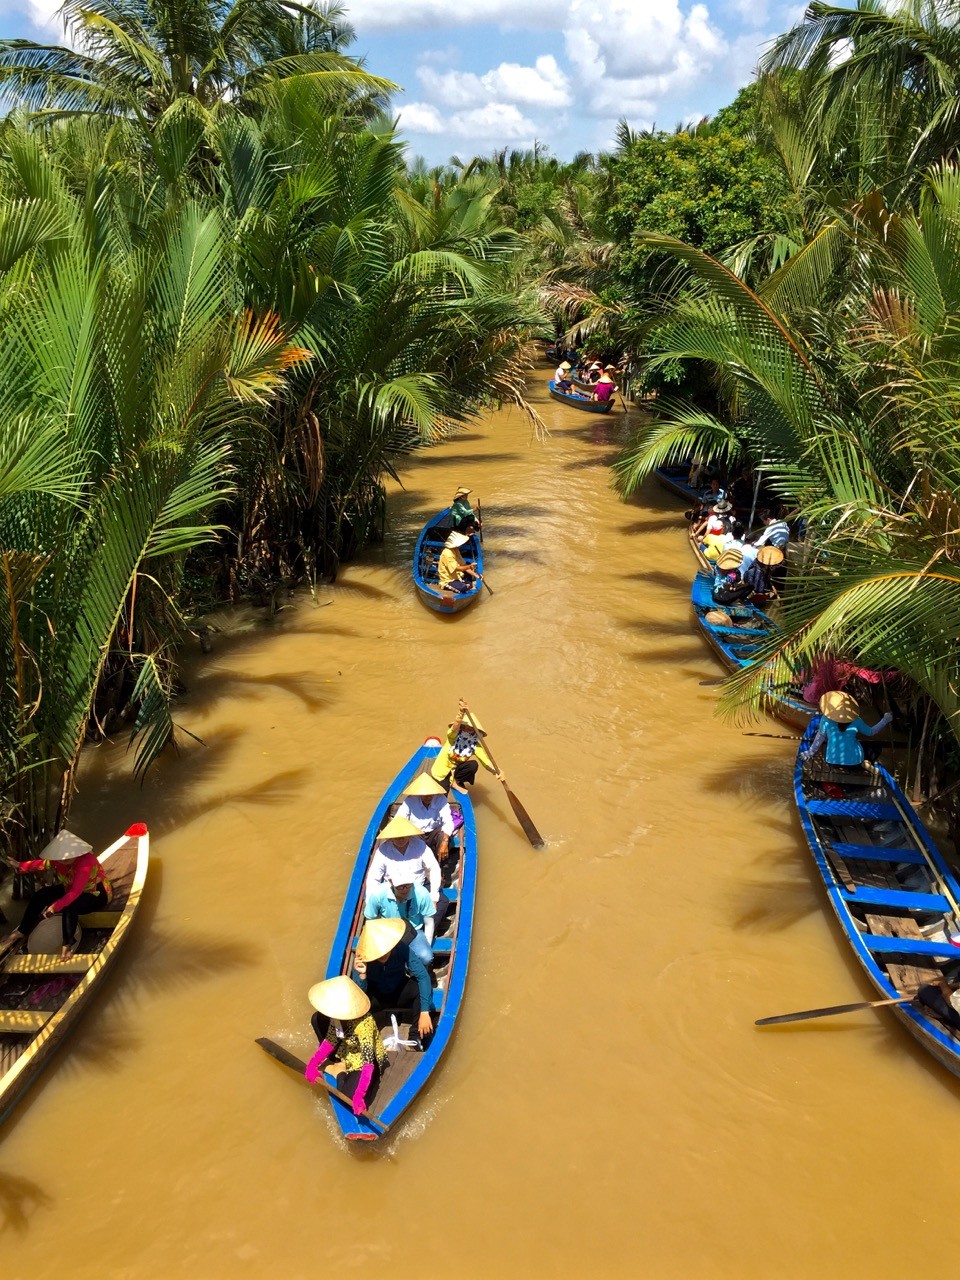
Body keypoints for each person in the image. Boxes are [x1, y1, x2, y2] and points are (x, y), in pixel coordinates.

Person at [0, 830, 111, 960]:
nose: (63, 860)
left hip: (96, 893)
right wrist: (20, 865)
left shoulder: (87, 861)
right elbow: (42, 864)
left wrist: (55, 907)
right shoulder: (60, 860)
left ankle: (67, 945)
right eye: (61, 857)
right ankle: (21, 931)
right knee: (41, 894)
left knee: (70, 906)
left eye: (67, 857)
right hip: (70, 889)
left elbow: (75, 892)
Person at [303, 975, 388, 1117]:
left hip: (365, 1060)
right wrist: (312, 1065)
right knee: (316, 1018)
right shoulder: (336, 1016)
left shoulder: (364, 1024)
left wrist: (359, 1095)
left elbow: (368, 1063)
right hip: (347, 1050)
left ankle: (339, 1072)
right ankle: (339, 1066)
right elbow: (330, 1040)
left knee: (346, 1098)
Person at [354, 917, 434, 1047]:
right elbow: (358, 995)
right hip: (376, 996)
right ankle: (365, 1039)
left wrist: (424, 1012)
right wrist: (361, 975)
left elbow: (423, 976)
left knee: (419, 988)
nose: (382, 955)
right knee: (356, 1004)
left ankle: (416, 1035)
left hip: (399, 990)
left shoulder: (401, 948)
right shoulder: (362, 957)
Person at [364, 863, 436, 966]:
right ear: (390, 882)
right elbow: (370, 920)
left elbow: (429, 922)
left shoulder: (422, 893)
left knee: (426, 958)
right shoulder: (378, 894)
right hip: (387, 932)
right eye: (400, 887)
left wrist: (427, 945)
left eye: (408, 885)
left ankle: (409, 968)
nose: (405, 889)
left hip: (413, 931)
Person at [802, 692, 893, 771]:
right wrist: (885, 719)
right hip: (854, 763)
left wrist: (810, 753)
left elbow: (820, 737)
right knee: (875, 747)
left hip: (833, 762)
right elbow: (871, 732)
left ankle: (863, 763)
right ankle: (865, 762)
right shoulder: (856, 720)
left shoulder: (825, 719)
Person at [430, 700, 503, 793]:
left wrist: (497, 772)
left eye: (470, 729)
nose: (466, 731)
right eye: (464, 728)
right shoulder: (453, 737)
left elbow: (486, 762)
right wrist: (460, 713)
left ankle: (455, 781)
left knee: (473, 765)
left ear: (475, 732)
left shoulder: (475, 745)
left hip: (455, 770)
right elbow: (454, 729)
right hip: (441, 772)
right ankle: (451, 783)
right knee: (443, 791)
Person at [366, 815, 442, 904]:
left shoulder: (420, 845)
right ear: (390, 839)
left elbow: (434, 868)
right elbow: (374, 877)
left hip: (417, 887)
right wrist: (371, 901)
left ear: (409, 836)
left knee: (442, 902)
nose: (400, 839)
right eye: (397, 837)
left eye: (403, 836)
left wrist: (433, 897)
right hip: (394, 889)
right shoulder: (382, 851)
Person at [396, 773, 456, 858]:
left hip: (434, 832)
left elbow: (448, 821)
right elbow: (399, 819)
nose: (427, 797)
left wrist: (445, 841)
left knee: (443, 836)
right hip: (416, 833)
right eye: (424, 795)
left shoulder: (441, 799)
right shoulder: (410, 800)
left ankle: (441, 862)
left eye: (430, 794)